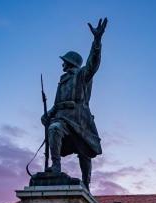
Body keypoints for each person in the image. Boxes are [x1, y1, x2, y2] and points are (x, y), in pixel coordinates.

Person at [41, 18, 108, 188]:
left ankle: (86, 183)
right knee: (54, 129)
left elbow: (93, 63)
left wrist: (97, 41)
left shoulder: (82, 74)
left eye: (64, 60)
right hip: (62, 118)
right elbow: (58, 103)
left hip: (79, 118)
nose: (62, 63)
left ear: (70, 62)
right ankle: (56, 166)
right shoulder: (62, 79)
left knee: (84, 152)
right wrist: (49, 113)